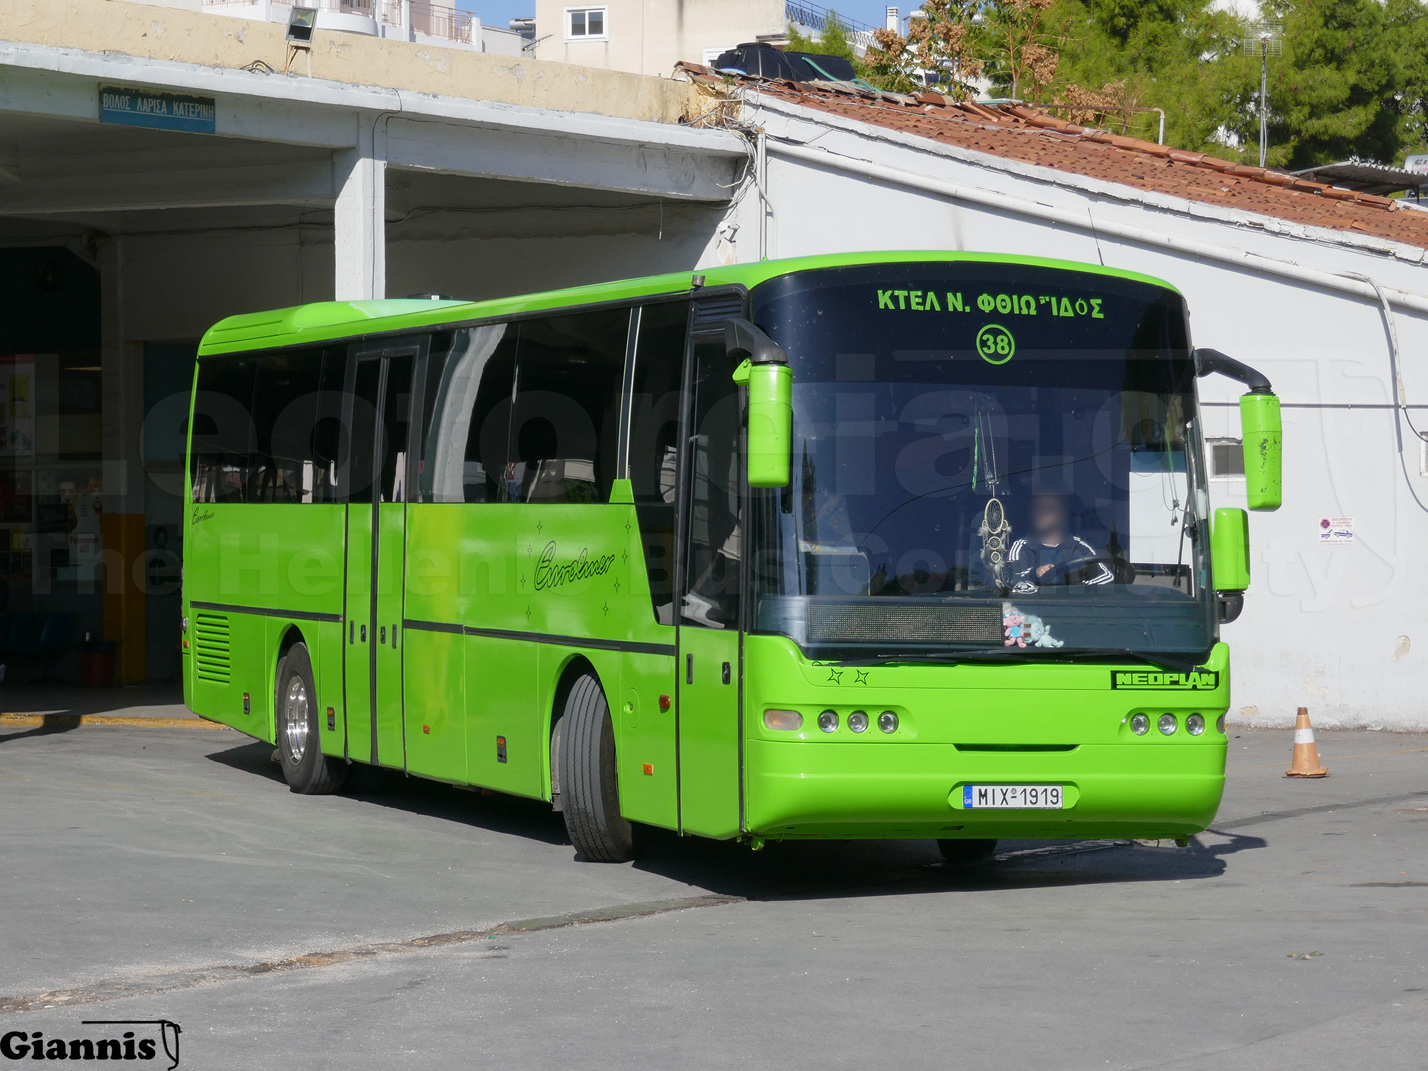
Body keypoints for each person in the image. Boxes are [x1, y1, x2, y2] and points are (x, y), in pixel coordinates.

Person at [1009, 494, 1113, 590]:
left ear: (1061, 514)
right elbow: (1012, 583)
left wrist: (1077, 587)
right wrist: (1035, 573)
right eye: (1036, 509)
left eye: (1048, 509)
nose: (1040, 514)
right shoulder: (1023, 547)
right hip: (1034, 608)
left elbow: (1106, 578)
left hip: (1075, 608)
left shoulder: (1078, 547)